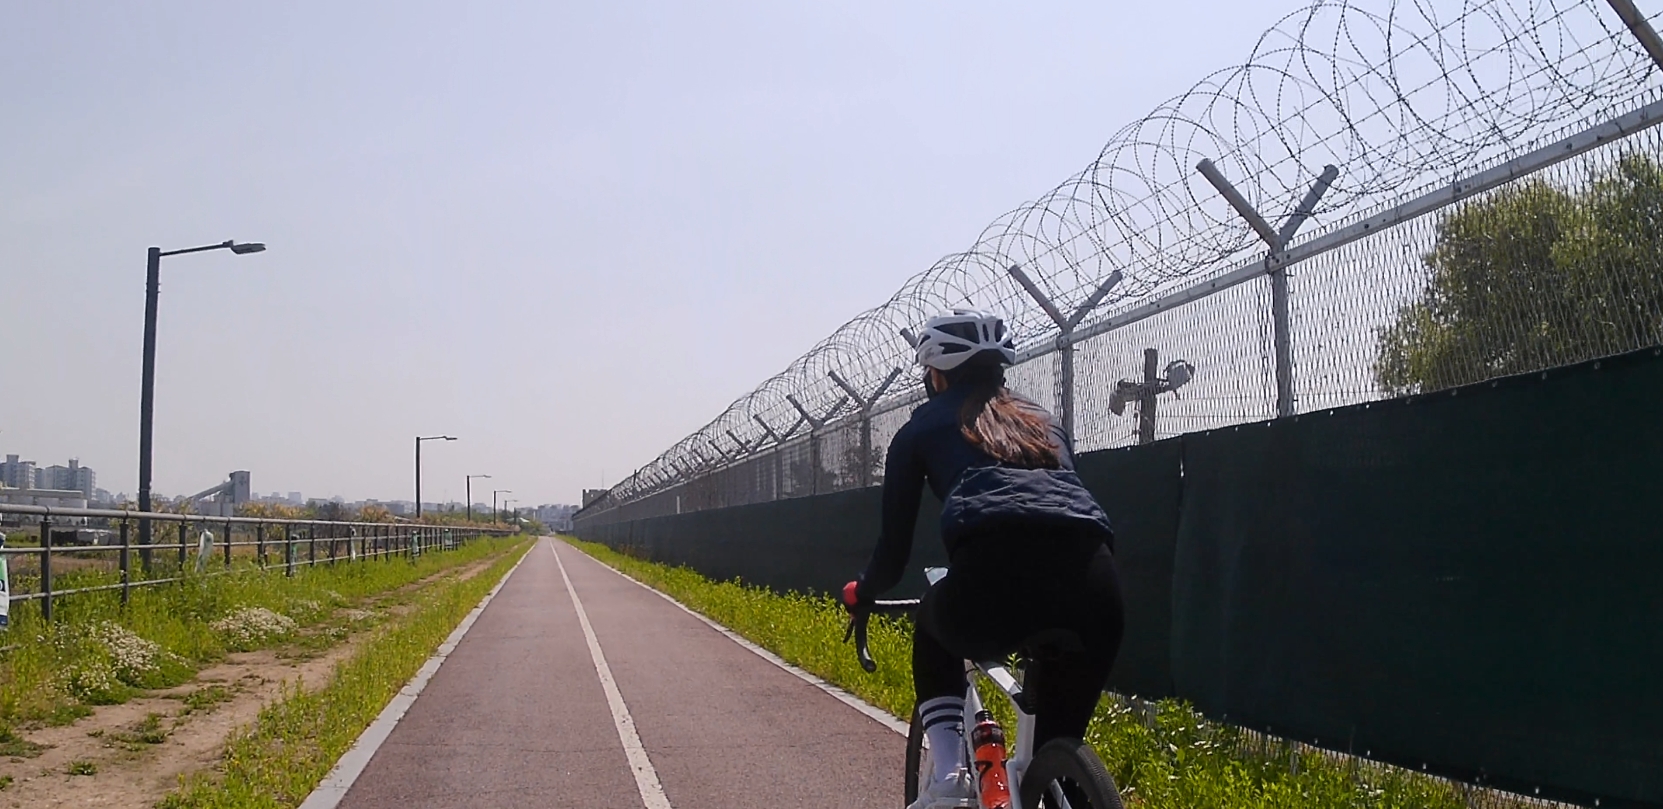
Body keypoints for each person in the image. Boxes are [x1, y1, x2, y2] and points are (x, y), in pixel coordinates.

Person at [841, 309, 1125, 809]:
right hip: (1096, 583)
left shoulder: (921, 428)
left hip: (994, 575)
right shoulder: (1044, 422)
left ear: (936, 374)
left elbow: (893, 553)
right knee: (1059, 778)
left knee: (933, 621)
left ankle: (949, 776)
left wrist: (862, 592)